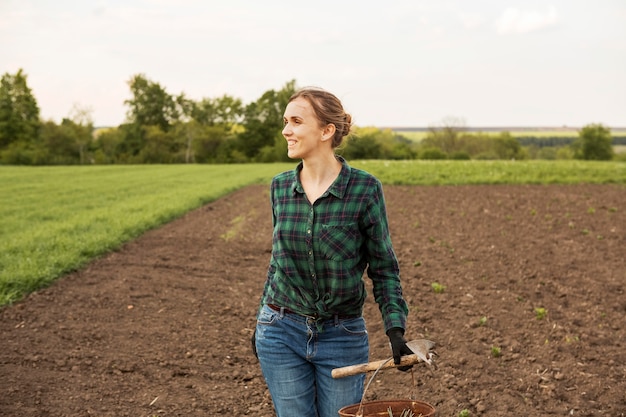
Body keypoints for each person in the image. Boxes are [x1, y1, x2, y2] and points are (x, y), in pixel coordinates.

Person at [252, 87, 413, 417]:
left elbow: (383, 267)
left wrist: (395, 329)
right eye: (286, 121)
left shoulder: (364, 189)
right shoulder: (280, 187)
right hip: (280, 331)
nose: (286, 130)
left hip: (341, 337)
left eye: (296, 121)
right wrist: (260, 325)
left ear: (327, 131)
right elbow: (277, 263)